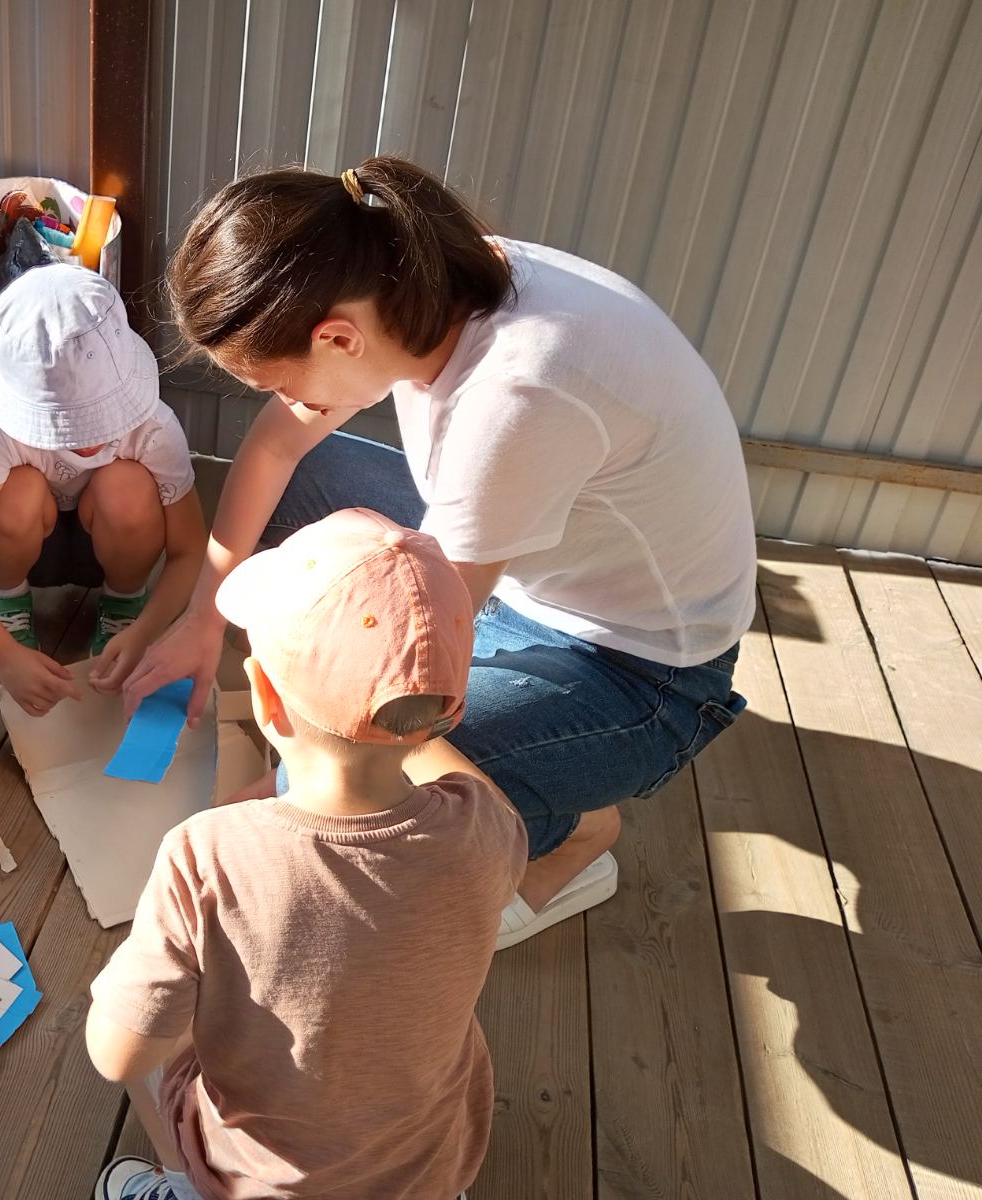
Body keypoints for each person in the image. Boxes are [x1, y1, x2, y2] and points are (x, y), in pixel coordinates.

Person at [123, 156, 755, 948]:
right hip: (524, 571)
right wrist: (201, 619)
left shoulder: (516, 394)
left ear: (338, 336)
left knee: (352, 798)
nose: (287, 405)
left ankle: (570, 836)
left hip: (644, 673)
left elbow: (407, 676)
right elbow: (280, 449)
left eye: (284, 384)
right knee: (303, 485)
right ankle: (538, 772)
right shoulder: (410, 269)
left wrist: (281, 796)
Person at [87, 508, 526, 1200]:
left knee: (151, 1052)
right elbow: (458, 773)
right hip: (429, 1169)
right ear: (449, 708)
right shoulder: (485, 825)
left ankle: (184, 1187)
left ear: (264, 696)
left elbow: (118, 1056)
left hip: (268, 1184)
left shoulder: (205, 856)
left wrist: (132, 982)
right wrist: (410, 710)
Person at [0, 264, 207, 716]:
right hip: (23, 551)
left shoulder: (154, 427)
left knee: (127, 486)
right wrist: (3, 656)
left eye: (99, 420)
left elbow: (191, 549)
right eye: (69, 425)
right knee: (15, 491)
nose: (88, 441)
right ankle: (6, 600)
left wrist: (145, 631)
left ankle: (122, 605)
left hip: (115, 549)